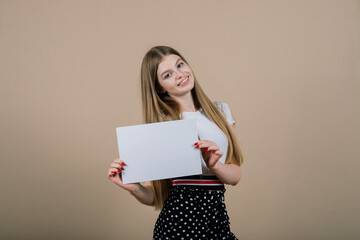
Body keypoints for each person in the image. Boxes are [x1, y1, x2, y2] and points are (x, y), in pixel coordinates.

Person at [107, 46, 244, 239]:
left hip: (216, 218)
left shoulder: (220, 111)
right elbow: (154, 195)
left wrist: (214, 165)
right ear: (160, 88)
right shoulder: (164, 125)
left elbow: (235, 176)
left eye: (180, 64)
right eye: (168, 74)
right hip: (178, 223)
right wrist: (132, 187)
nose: (180, 74)